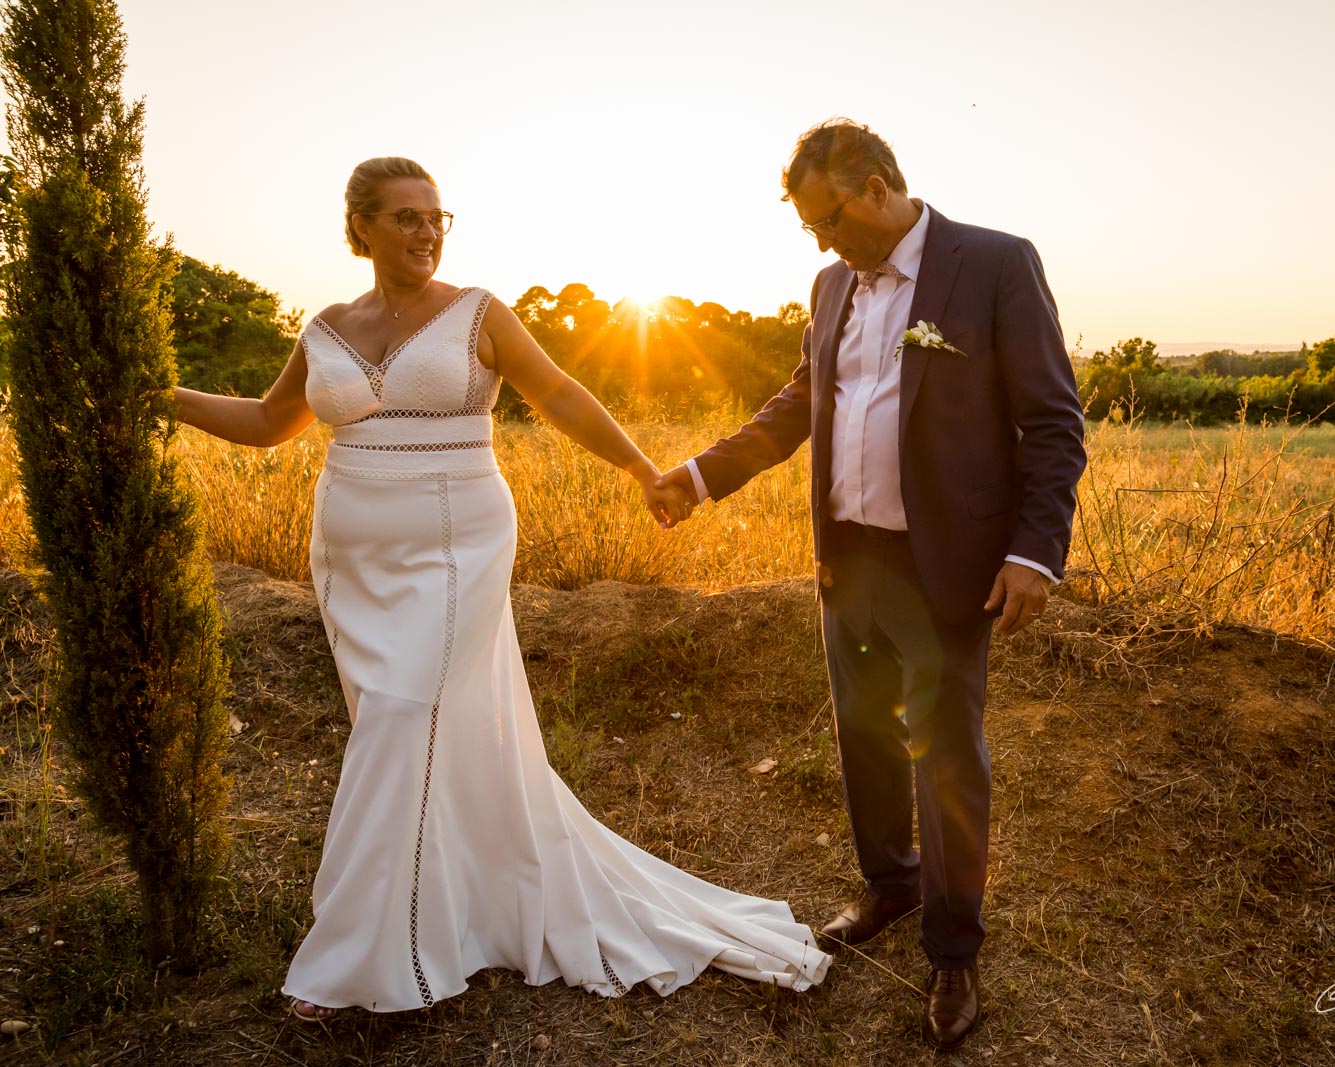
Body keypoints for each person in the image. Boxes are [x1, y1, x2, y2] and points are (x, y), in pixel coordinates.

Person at [172, 157, 829, 1019]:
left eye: (438, 216)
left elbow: (555, 391)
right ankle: (449, 907)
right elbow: (267, 423)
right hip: (350, 556)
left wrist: (643, 470)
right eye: (405, 216)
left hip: (457, 547)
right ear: (360, 226)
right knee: (397, 729)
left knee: (404, 719)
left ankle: (359, 964)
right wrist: (161, 394)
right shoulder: (324, 326)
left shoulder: (477, 312)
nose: (426, 231)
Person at [657, 119, 1087, 1050]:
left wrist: (1034, 552)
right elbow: (797, 404)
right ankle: (890, 884)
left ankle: (954, 947)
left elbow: (1054, 423)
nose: (822, 241)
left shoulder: (996, 264)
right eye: (811, 226)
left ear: (879, 182)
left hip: (947, 566)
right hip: (846, 555)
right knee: (864, 738)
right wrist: (698, 477)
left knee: (947, 757)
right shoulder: (829, 284)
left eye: (830, 217)